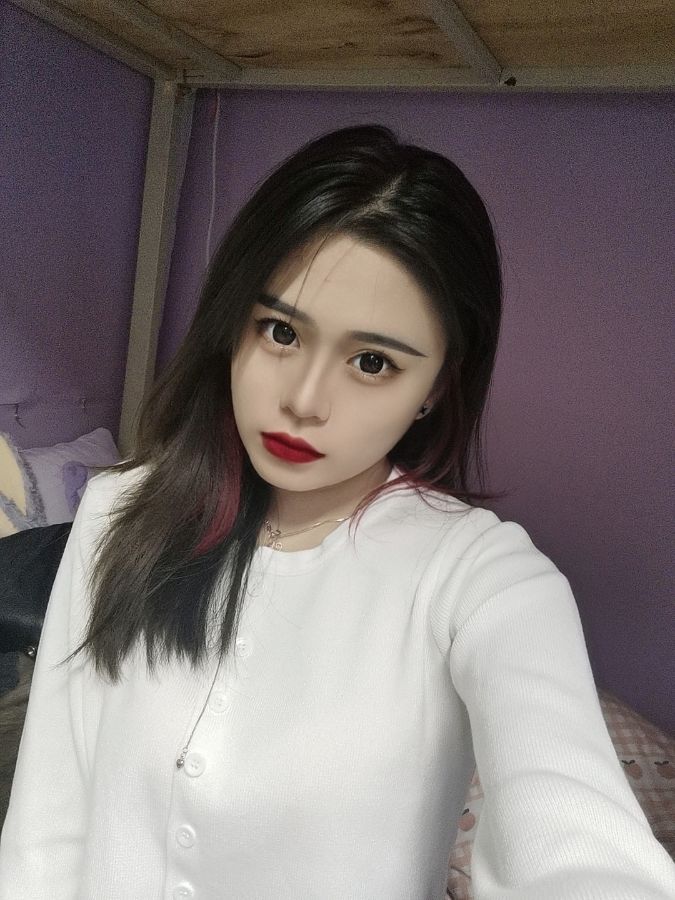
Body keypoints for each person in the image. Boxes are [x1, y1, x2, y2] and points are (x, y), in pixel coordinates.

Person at [0, 125, 672, 900]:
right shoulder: (120, 510)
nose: (304, 400)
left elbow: (575, 833)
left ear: (435, 387)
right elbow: (46, 828)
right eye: (280, 332)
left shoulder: (480, 577)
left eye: (371, 362)